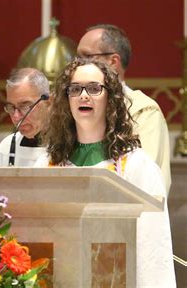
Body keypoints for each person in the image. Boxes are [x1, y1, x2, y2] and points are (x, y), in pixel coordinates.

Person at [35, 58, 176, 286]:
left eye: (94, 89)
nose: (83, 95)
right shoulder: (47, 164)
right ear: (65, 99)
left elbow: (153, 247)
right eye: (75, 89)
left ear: (110, 98)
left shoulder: (136, 165)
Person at [77, 24, 171, 194]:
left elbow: (145, 179)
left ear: (113, 61)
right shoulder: (75, 105)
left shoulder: (143, 111)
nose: (78, 65)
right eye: (77, 58)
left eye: (87, 56)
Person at [0, 68, 50, 167]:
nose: (16, 117)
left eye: (24, 106)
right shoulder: (6, 147)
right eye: (11, 107)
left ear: (47, 103)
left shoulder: (68, 146)